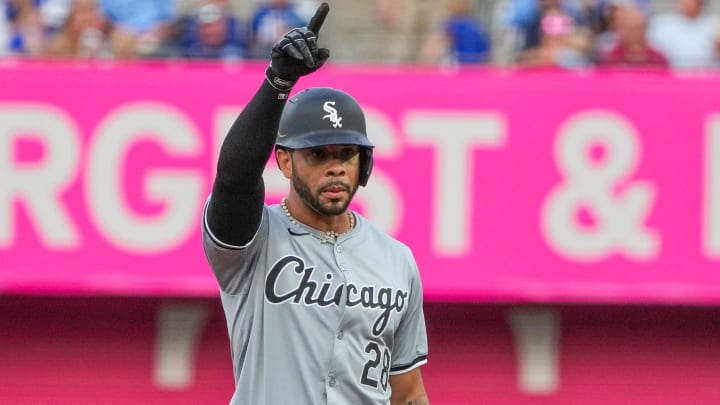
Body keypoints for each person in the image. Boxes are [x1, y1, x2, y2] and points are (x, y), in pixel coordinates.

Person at [201, 3, 430, 404]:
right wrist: (277, 83)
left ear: (365, 162)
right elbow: (234, 179)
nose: (336, 167)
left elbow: (407, 392)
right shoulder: (254, 241)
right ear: (285, 161)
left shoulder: (396, 259)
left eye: (346, 153)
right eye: (318, 155)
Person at [646, 0, 720, 69]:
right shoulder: (662, 23)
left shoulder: (714, 24)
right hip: (669, 77)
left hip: (706, 78)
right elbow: (652, 54)